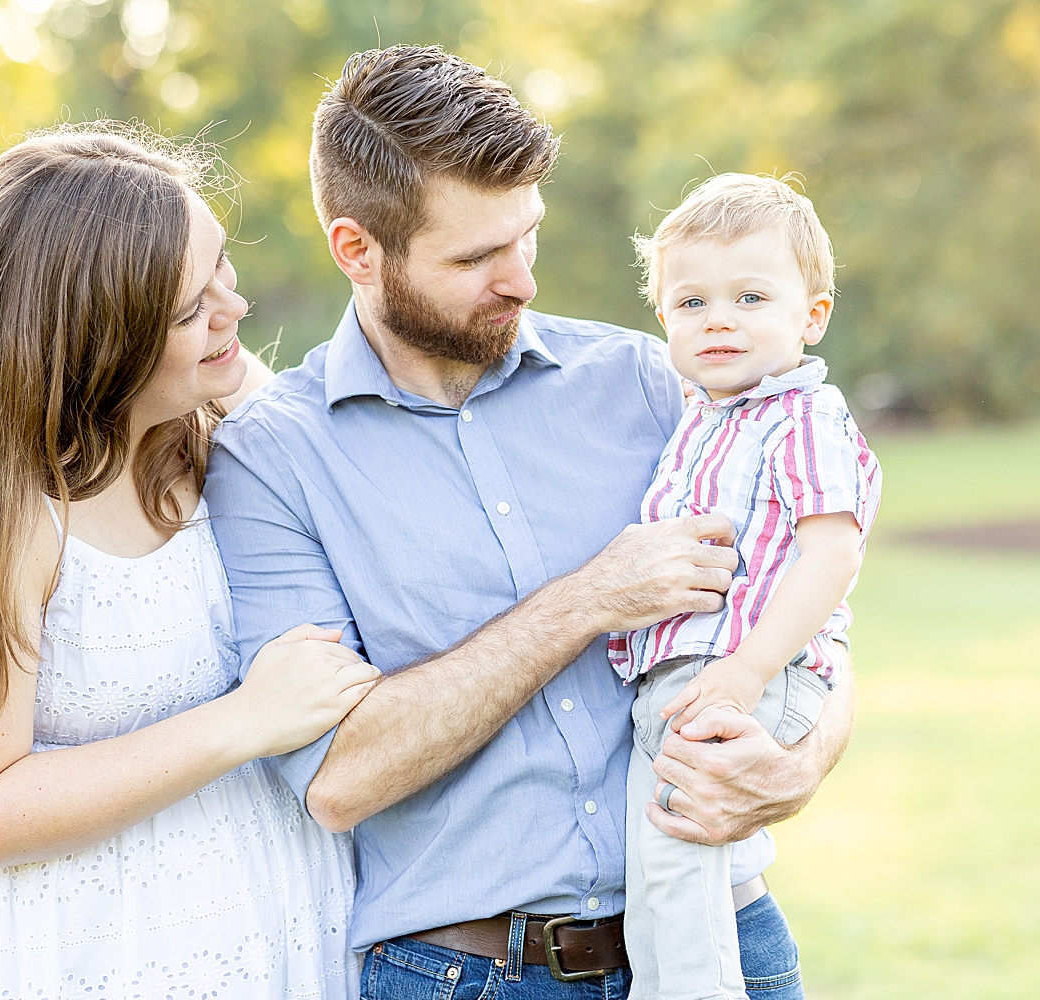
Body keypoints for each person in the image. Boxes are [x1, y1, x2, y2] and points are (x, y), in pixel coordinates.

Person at [204, 46, 857, 1000]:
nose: (522, 280)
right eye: (475, 257)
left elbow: (811, 612)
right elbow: (341, 778)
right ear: (357, 250)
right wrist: (591, 599)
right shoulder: (272, 459)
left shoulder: (648, 380)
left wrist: (801, 765)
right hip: (470, 976)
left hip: (732, 939)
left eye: (527, 237)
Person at [0, 124, 378, 998]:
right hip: (88, 952)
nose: (234, 309)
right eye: (189, 310)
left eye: (222, 266)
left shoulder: (217, 416)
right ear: (93, 341)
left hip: (279, 927)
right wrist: (244, 722)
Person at [610, 173, 881, 1000]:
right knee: (654, 881)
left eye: (751, 297)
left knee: (679, 859)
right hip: (678, 680)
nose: (718, 318)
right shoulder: (700, 419)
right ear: (664, 320)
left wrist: (750, 670)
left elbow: (830, 557)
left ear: (812, 315)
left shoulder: (803, 417)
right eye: (691, 302)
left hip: (738, 670)